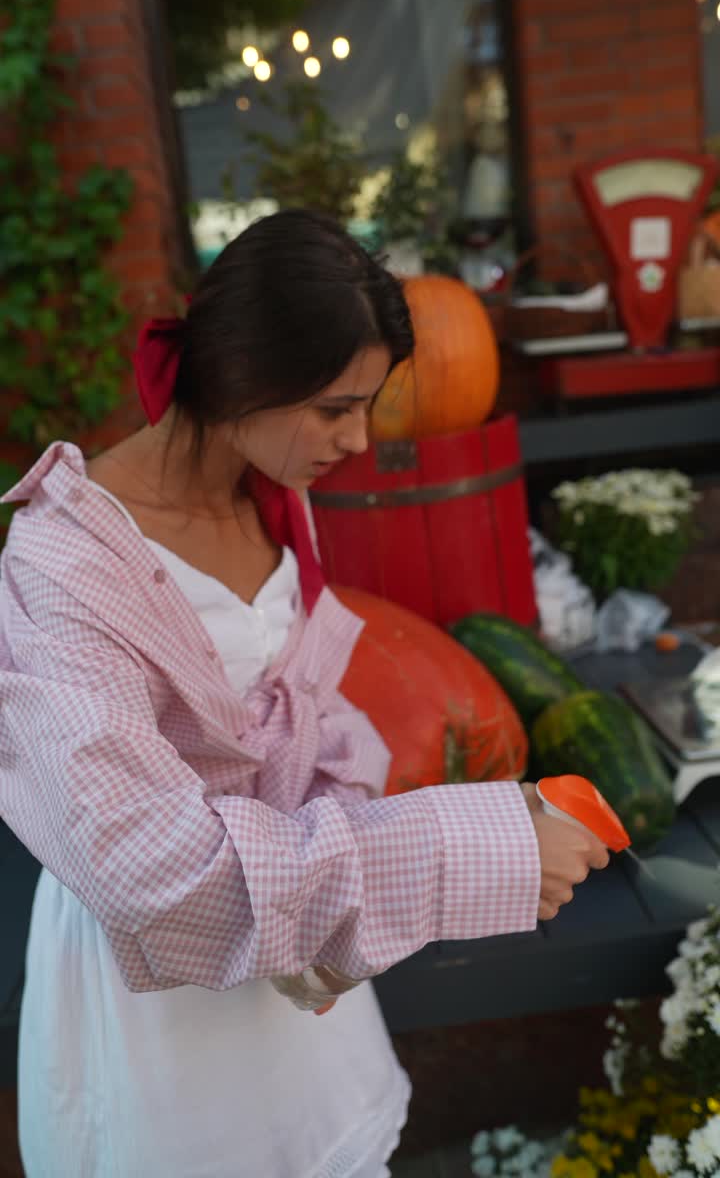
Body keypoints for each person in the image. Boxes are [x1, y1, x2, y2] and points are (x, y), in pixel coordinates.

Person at [0, 209, 608, 1178]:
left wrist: (328, 934)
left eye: (367, 403)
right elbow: (148, 870)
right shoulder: (64, 563)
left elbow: (311, 717)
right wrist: (464, 844)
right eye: (335, 406)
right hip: (159, 999)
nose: (359, 437)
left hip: (295, 937)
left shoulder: (274, 495)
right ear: (240, 372)